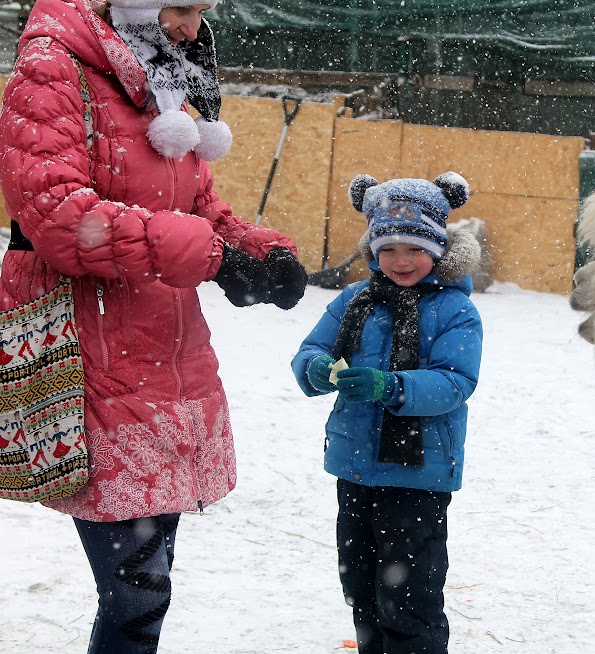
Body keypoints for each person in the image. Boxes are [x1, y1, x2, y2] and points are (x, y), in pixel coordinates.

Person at [0, 0, 308, 652]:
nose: (193, 29)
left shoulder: (161, 79)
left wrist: (255, 250)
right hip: (89, 350)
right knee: (138, 592)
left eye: (202, 12)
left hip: (164, 356)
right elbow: (59, 216)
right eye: (181, 8)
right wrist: (208, 255)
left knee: (151, 582)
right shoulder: (54, 67)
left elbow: (197, 203)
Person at [291, 172, 483, 654]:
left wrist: (392, 386)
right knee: (360, 585)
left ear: (438, 249)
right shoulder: (354, 300)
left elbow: (456, 381)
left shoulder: (455, 310)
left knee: (409, 594)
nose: (401, 261)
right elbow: (312, 349)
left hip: (417, 473)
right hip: (356, 466)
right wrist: (315, 369)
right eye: (389, 248)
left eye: (415, 249)